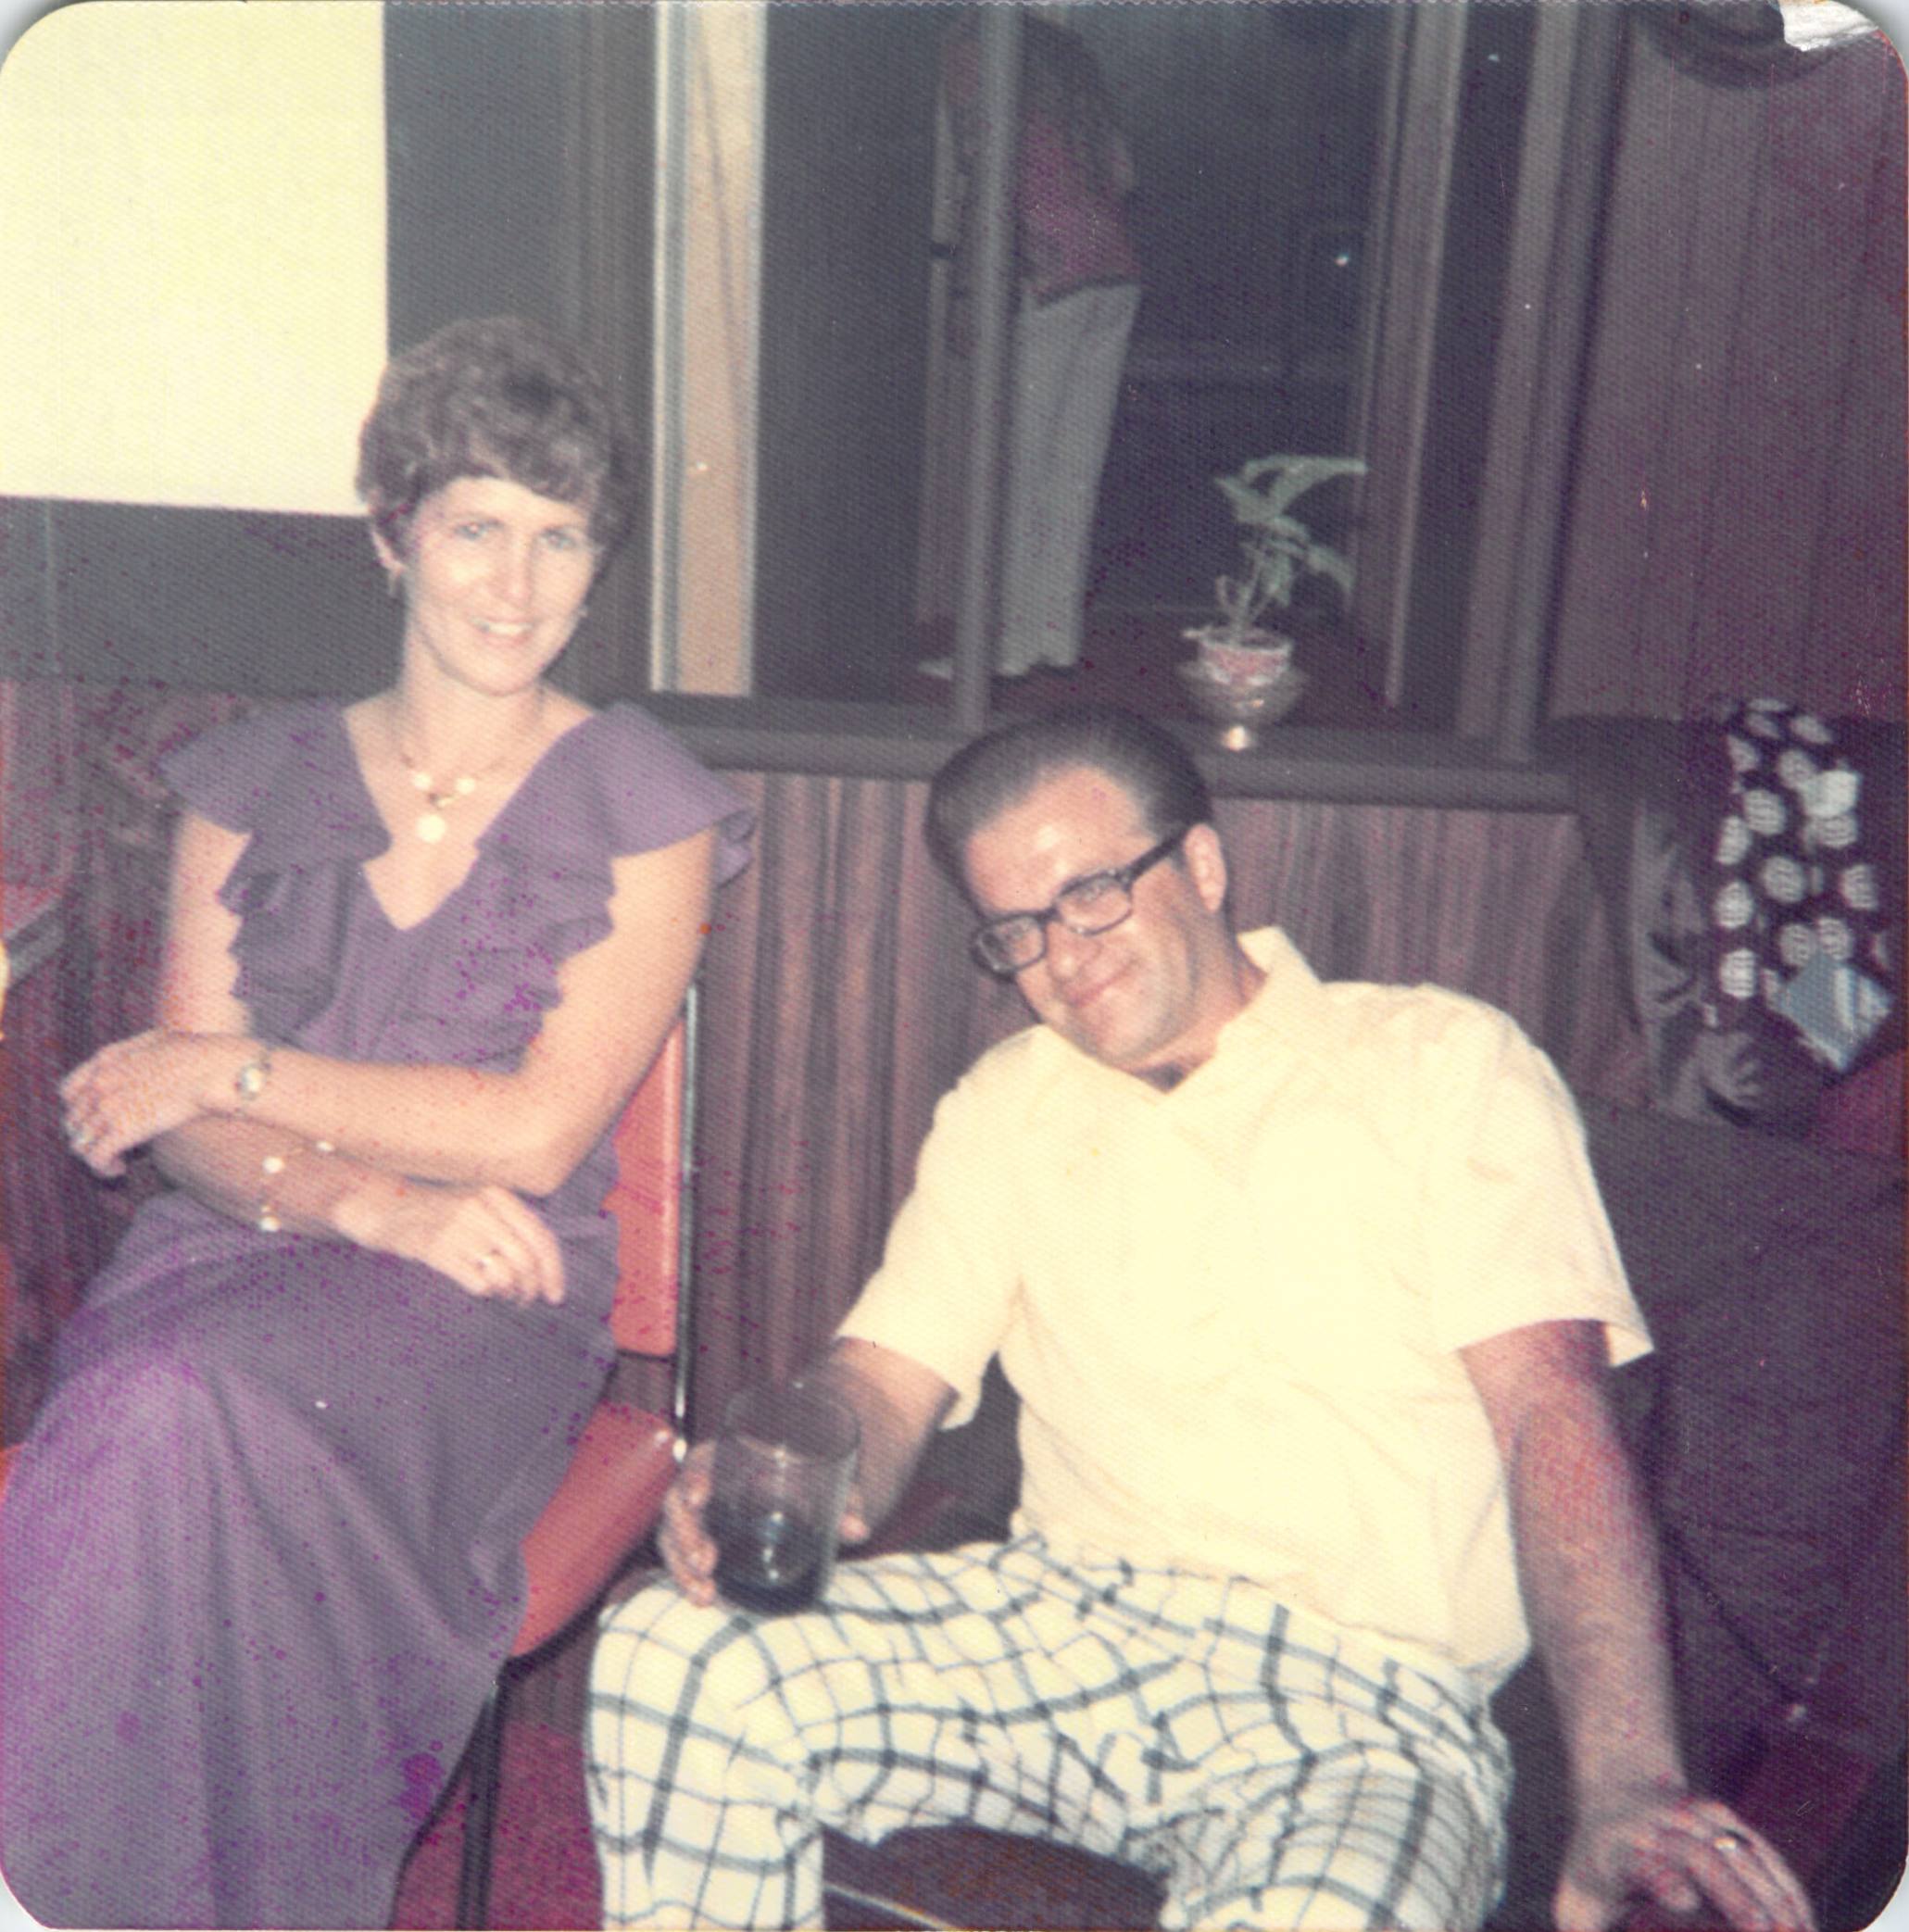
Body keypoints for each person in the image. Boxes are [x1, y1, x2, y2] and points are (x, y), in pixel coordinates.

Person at [588, 706, 1815, 1932]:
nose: (1062, 956)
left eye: (1093, 893)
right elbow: (883, 1375)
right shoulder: (1006, 1104)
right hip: (1057, 1627)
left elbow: (1553, 1415)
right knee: (672, 1653)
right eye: (1017, 928)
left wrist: (1625, 1775)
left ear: (1205, 866)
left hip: (1363, 1705)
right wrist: (793, 1464)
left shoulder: (1440, 1062)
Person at [0, 316, 754, 1928]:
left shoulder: (647, 801)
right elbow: (182, 1137)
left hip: (486, 1290)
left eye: (561, 539)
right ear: (392, 535)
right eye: (477, 527)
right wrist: (366, 1198)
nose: (517, 584)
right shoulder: (251, 779)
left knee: (169, 1415)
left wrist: (231, 1070)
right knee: (154, 1402)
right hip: (245, 1245)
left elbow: (535, 1135)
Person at [921, 16, 1142, 682]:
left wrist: (965, 293)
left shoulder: (970, 54)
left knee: (1013, 473)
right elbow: (1124, 173)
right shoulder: (1066, 65)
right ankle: (1052, 639)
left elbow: (985, 186)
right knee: (1071, 472)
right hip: (1114, 274)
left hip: (1045, 279)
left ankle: (1002, 651)